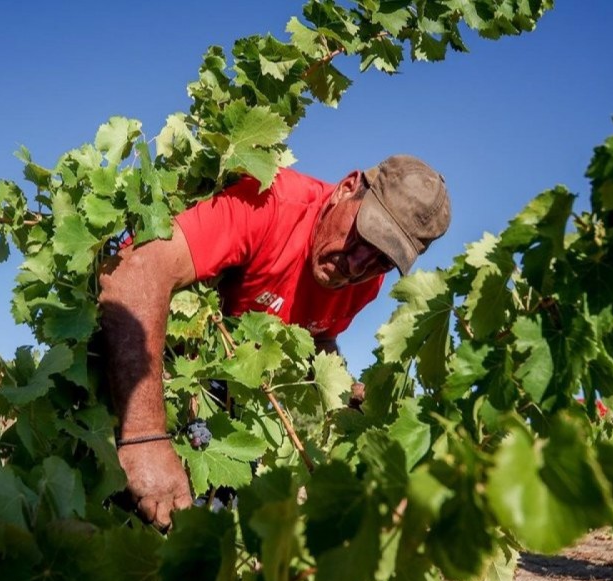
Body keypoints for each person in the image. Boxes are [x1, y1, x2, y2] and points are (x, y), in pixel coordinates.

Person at [98, 155, 452, 528]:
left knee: (212, 538)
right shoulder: (271, 203)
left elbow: (319, 335)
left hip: (241, 399)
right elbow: (135, 271)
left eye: (382, 260)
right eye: (365, 235)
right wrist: (144, 437)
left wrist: (344, 389)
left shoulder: (365, 284)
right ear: (347, 188)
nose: (358, 264)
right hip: (161, 369)